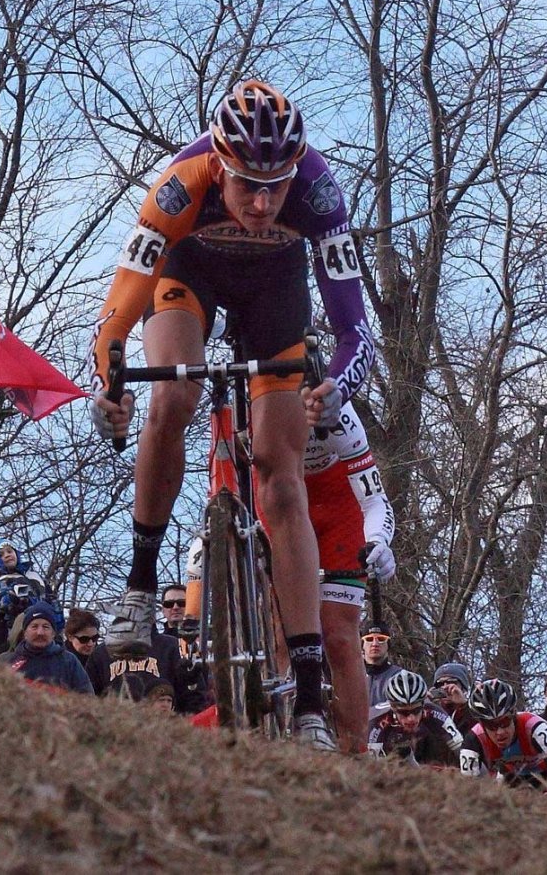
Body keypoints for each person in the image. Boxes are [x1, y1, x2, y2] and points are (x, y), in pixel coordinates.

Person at [89, 80, 374, 751]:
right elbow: (122, 301)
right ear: (220, 160)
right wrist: (108, 376)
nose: (263, 201)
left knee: (281, 475)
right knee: (173, 395)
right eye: (248, 184)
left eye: (276, 186)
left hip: (275, 291)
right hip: (191, 275)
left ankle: (307, 694)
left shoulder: (318, 192)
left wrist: (337, 383)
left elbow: (353, 328)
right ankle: (138, 582)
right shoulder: (180, 183)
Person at [291, 400, 396, 753]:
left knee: (339, 635)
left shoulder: (339, 413)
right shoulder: (247, 403)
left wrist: (378, 541)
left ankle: (356, 754)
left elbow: (375, 501)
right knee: (279, 628)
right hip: (281, 501)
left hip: (339, 508)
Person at [86, 588, 210, 715]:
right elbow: (87, 698)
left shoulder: (173, 647)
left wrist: (185, 728)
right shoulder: (102, 653)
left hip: (165, 728)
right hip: (116, 729)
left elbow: (195, 696)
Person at [459, 679, 547, 796]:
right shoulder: (473, 741)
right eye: (491, 725)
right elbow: (469, 793)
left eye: (505, 721)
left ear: (514, 714)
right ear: (482, 724)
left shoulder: (535, 727)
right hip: (510, 781)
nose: (500, 732)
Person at [367, 670, 462, 767]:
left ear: (423, 704)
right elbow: (373, 770)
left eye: (416, 710)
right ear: (393, 707)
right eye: (404, 712)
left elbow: (462, 750)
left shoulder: (434, 712)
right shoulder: (375, 722)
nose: (411, 718)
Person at [0, 601, 93, 694]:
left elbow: (87, 698)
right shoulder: (6, 661)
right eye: (34, 626)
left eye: (46, 627)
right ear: (25, 632)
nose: (40, 632)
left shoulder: (68, 662)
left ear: (53, 633)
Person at [429, 662, 477, 736]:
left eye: (451, 682)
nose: (445, 687)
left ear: (463, 688)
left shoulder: (475, 711)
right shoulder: (431, 713)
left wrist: (464, 706)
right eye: (440, 684)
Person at [363, 626, 402, 710]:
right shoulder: (349, 678)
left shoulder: (400, 677)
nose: (375, 644)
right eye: (369, 639)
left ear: (388, 644)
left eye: (381, 639)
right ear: (362, 644)